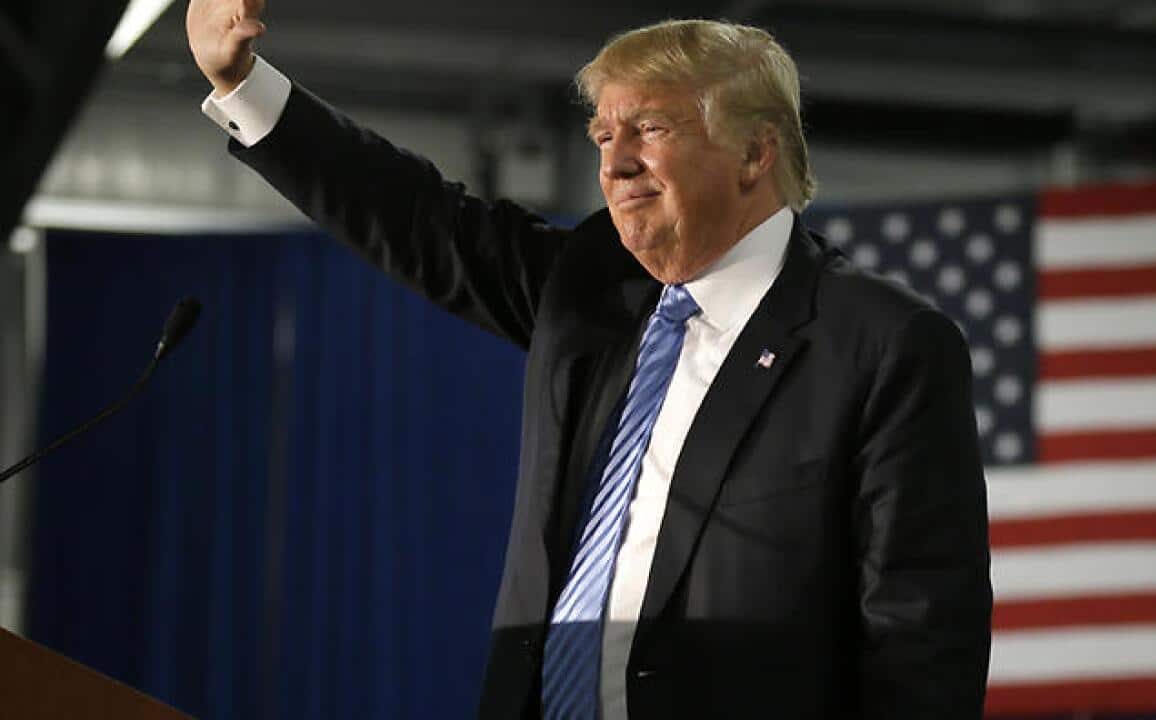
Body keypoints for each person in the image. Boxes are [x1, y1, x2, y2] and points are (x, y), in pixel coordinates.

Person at [187, 2, 992, 717]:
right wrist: (244, 86)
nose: (613, 164)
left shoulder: (881, 343)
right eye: (604, 135)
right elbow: (419, 220)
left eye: (650, 128)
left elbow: (920, 639)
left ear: (754, 153)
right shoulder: (591, 288)